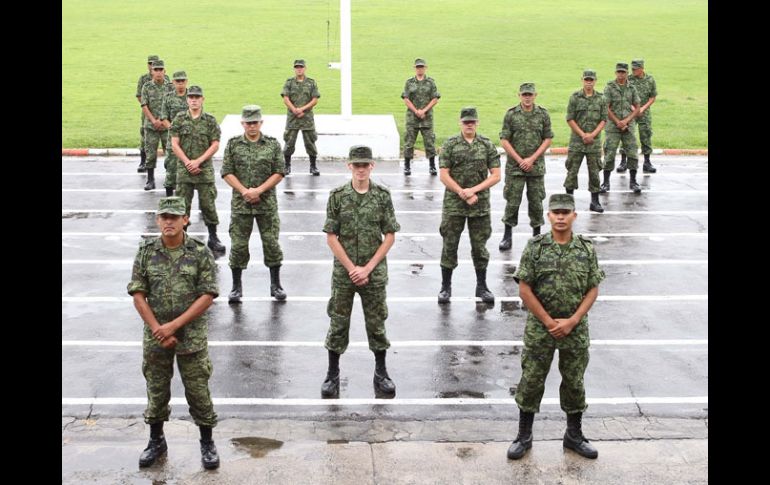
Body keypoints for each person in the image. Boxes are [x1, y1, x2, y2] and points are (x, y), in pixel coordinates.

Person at [507, 193, 604, 461]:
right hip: (541, 328)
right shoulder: (536, 247)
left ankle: (574, 435)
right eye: (556, 212)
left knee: (574, 381)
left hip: (575, 328)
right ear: (548, 216)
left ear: (574, 215)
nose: (560, 217)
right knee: (532, 380)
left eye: (565, 212)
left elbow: (593, 288)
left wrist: (572, 321)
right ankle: (523, 436)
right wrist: (550, 322)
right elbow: (525, 289)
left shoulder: (585, 249)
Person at [127, 196, 220, 470]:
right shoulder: (146, 251)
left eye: (174, 217)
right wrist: (159, 329)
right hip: (156, 336)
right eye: (164, 217)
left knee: (198, 390)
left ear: (185, 220)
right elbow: (138, 293)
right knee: (156, 390)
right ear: (158, 220)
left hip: (190, 336)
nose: (168, 222)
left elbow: (208, 295)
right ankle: (156, 441)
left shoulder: (200, 252)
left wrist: (174, 326)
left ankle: (207, 442)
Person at [320, 145, 400, 399]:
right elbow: (331, 237)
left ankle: (381, 372)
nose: (361, 169)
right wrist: (352, 268)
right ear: (349, 166)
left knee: (377, 323)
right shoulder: (337, 196)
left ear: (372, 166)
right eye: (357, 165)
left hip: (373, 273)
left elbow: (389, 236)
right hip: (345, 274)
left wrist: (367, 268)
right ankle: (332, 375)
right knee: (338, 323)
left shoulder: (382, 196)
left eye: (365, 165)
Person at [221, 105, 287, 303]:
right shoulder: (233, 144)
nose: (252, 126)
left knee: (272, 244)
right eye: (248, 123)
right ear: (242, 123)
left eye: (255, 122)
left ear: (261, 123)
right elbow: (226, 171)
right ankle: (236, 287)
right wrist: (244, 191)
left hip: (266, 204)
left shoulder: (272, 144)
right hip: (241, 205)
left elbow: (279, 171)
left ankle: (275, 285)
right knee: (239, 246)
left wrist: (259, 191)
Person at [437, 106, 501, 304]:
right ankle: (445, 287)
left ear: (477, 123)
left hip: (479, 206)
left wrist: (474, 190)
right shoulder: (450, 145)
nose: (469, 125)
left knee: (480, 248)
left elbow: (496, 175)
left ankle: (481, 286)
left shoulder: (486, 145)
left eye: (472, 121)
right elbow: (444, 174)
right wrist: (462, 193)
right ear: (460, 123)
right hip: (454, 205)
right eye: (466, 122)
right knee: (449, 245)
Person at [170, 85, 226, 254]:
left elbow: (215, 144)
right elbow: (174, 143)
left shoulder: (209, 120)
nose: (194, 100)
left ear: (202, 99)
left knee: (208, 205)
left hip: (204, 170)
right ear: (187, 99)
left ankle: (213, 237)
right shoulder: (179, 119)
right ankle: (182, 238)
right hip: (185, 170)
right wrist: (188, 162)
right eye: (191, 97)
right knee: (182, 205)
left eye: (197, 97)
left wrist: (199, 161)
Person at [498, 82, 553, 252]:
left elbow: (548, 138)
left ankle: (537, 236)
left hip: (535, 167)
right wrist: (520, 159)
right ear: (519, 95)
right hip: (515, 167)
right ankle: (507, 236)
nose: (527, 97)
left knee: (536, 202)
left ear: (535, 95)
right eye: (524, 95)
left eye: (530, 94)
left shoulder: (542, 114)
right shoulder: (511, 115)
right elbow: (504, 139)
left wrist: (532, 159)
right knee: (512, 202)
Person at [563, 69, 608, 213]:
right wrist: (583, 135)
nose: (589, 82)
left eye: (591, 80)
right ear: (582, 80)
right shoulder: (575, 97)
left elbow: (603, 120)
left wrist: (592, 135)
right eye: (586, 79)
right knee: (572, 172)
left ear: (595, 81)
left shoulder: (601, 98)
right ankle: (569, 201)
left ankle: (594, 202)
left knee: (594, 173)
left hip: (593, 143)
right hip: (577, 142)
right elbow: (570, 119)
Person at [600, 62, 641, 194]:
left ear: (627, 73)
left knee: (633, 153)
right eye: (619, 72)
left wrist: (626, 121)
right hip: (613, 126)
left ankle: (633, 181)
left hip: (628, 126)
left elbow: (637, 107)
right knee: (609, 153)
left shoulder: (632, 88)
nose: (621, 74)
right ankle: (605, 182)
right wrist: (618, 122)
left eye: (623, 72)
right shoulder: (609, 87)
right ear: (615, 73)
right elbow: (605, 107)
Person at [401, 58, 441, 175]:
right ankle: (407, 166)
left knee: (429, 142)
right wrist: (416, 111)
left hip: (426, 118)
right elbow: (406, 99)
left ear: (425, 68)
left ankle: (432, 166)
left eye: (422, 67)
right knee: (409, 142)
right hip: (412, 118)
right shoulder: (409, 82)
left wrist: (424, 110)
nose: (420, 69)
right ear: (415, 68)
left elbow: (435, 99)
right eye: (418, 67)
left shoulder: (431, 82)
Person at [281, 59, 321, 175]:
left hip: (306, 118)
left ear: (305, 68)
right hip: (292, 118)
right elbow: (285, 98)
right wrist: (294, 110)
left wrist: (302, 109)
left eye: (301, 67)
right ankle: (287, 166)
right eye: (297, 67)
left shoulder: (311, 83)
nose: (299, 69)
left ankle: (313, 166)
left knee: (310, 143)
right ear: (294, 69)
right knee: (289, 142)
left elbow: (315, 100)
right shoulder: (289, 82)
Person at [140, 59, 174, 190]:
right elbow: (144, 105)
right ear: (152, 72)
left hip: (166, 126)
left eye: (161, 70)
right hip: (151, 126)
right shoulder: (147, 86)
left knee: (170, 153)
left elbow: (172, 105)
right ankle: (150, 180)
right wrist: (154, 121)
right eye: (156, 70)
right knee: (150, 153)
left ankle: (170, 178)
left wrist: (162, 120)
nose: (159, 73)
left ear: (165, 71)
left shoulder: (170, 87)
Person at [136, 55, 169, 173]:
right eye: (150, 63)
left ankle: (170, 175)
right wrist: (152, 118)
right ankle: (143, 163)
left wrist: (161, 119)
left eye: (160, 68)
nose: (152, 66)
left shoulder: (168, 82)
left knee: (169, 148)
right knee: (146, 141)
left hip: (164, 119)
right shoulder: (144, 80)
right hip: (148, 116)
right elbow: (140, 98)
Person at [159, 70, 189, 196]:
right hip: (174, 138)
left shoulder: (192, 97)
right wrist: (173, 129)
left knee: (190, 170)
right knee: (171, 168)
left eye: (183, 81)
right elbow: (163, 117)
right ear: (173, 82)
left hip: (189, 138)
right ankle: (169, 200)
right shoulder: (169, 98)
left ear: (186, 82)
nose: (180, 84)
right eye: (178, 81)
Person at [627, 58, 658, 173]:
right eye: (632, 69)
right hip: (630, 112)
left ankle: (647, 162)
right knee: (628, 135)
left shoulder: (650, 80)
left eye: (636, 69)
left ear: (642, 69)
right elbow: (625, 95)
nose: (633, 71)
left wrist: (643, 108)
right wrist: (634, 109)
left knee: (646, 135)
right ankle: (624, 161)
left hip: (644, 113)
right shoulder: (628, 79)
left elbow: (653, 97)